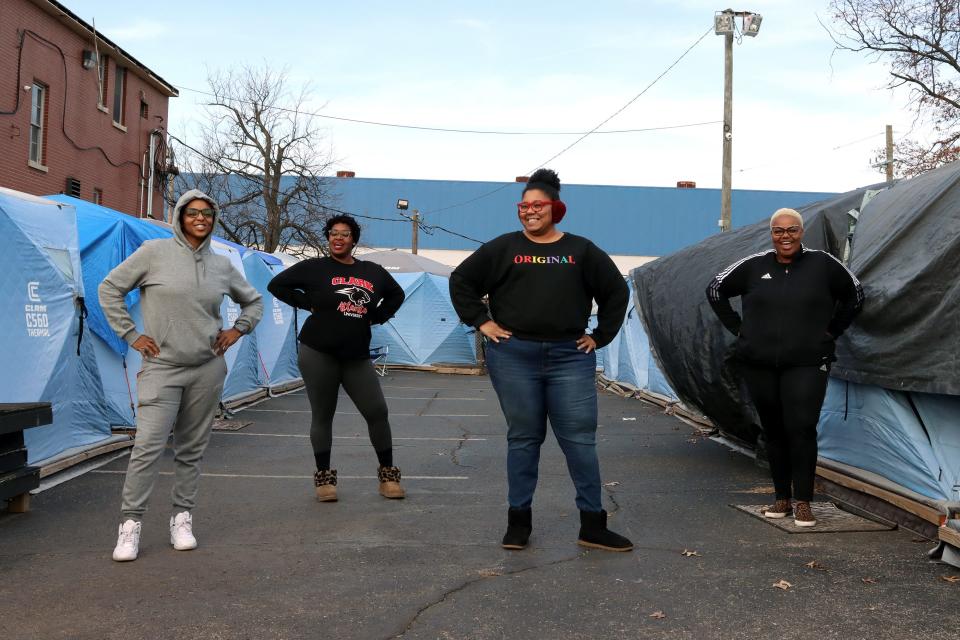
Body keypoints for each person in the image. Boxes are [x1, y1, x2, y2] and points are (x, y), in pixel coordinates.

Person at [450, 168, 632, 552]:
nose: (530, 211)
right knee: (523, 439)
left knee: (580, 441)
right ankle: (518, 523)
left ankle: (593, 525)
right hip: (515, 356)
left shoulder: (581, 251)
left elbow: (616, 292)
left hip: (570, 356)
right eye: (524, 205)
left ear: (555, 208)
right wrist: (483, 322)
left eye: (538, 205)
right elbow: (461, 281)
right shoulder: (502, 248)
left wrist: (600, 336)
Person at [99, 189, 263, 561]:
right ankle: (130, 525)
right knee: (148, 447)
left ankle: (182, 519)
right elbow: (109, 288)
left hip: (207, 368)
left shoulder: (221, 264)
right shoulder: (153, 253)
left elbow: (253, 300)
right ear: (179, 216)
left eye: (207, 213)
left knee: (191, 450)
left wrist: (238, 329)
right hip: (162, 368)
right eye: (193, 213)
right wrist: (131, 334)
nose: (201, 218)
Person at [706, 208, 863, 527]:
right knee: (773, 429)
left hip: (807, 362)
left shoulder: (823, 265)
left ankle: (804, 501)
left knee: (802, 426)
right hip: (760, 362)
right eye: (779, 231)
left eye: (792, 230)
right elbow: (715, 290)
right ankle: (781, 498)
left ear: (801, 232)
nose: (785, 236)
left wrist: (831, 331)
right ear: (772, 233)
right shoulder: (754, 266)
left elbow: (855, 296)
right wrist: (740, 329)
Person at [267, 215, 406, 503]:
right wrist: (308, 303)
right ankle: (324, 480)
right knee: (323, 416)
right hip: (318, 352)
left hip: (356, 356)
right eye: (333, 233)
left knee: (377, 412)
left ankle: (388, 476)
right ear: (328, 237)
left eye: (344, 234)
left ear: (353, 239)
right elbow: (277, 286)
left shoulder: (373, 272)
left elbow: (396, 294)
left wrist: (376, 316)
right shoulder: (313, 268)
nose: (338, 238)